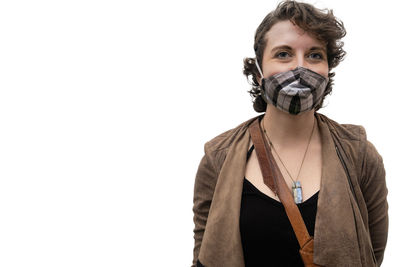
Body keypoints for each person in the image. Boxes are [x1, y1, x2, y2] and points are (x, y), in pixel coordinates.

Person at [191, 1, 389, 267]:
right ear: (259, 71)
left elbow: (371, 255)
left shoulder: (360, 154)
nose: (300, 68)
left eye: (314, 55)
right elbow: (205, 255)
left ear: (328, 70)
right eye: (283, 54)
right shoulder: (218, 157)